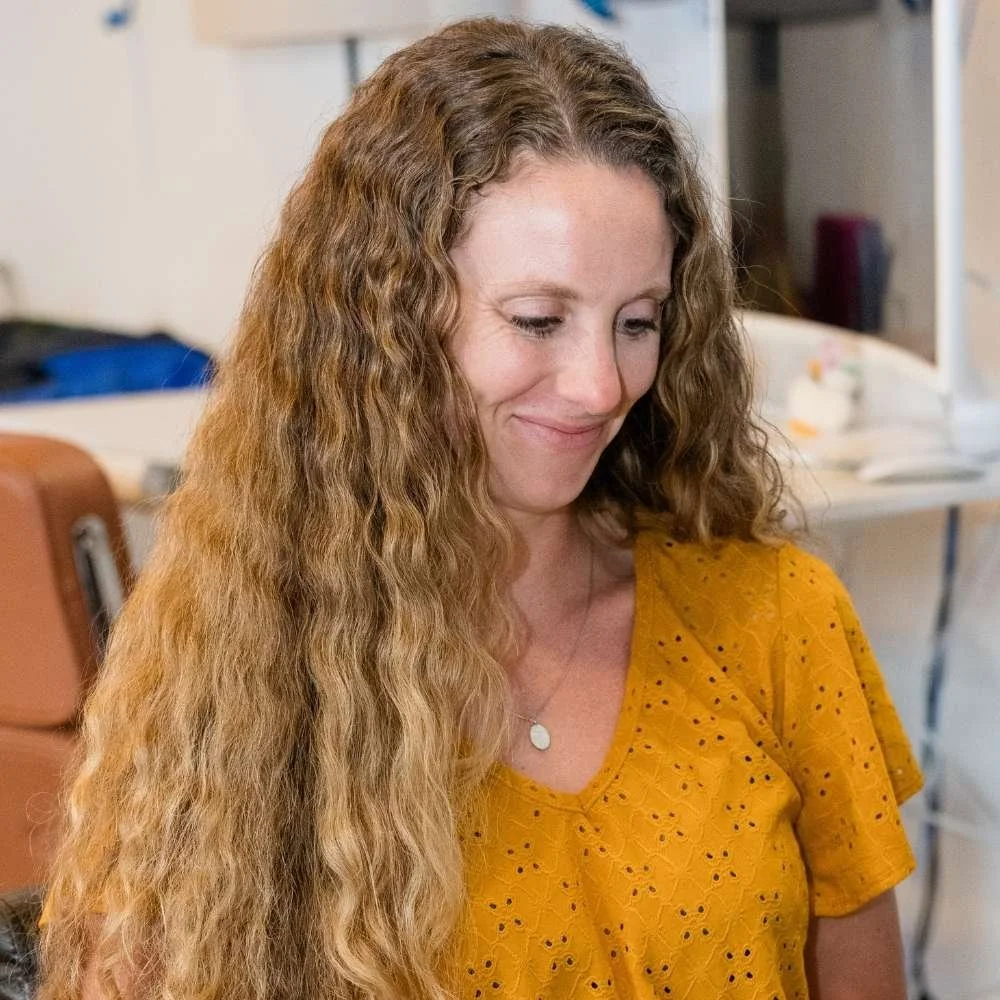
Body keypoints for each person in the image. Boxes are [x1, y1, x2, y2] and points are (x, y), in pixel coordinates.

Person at [37, 17, 922, 1000]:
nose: (599, 383)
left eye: (638, 321)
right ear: (393, 318)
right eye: (537, 319)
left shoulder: (774, 618)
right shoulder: (236, 662)